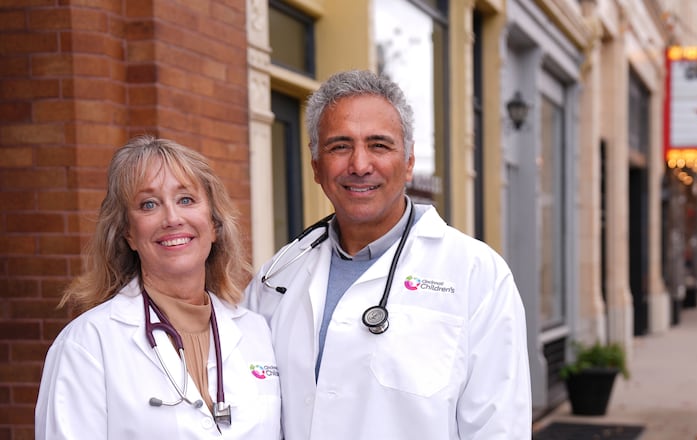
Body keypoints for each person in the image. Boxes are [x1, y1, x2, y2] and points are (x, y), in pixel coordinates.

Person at [244, 70, 531, 439]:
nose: (360, 165)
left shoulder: (477, 275)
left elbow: (499, 429)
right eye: (339, 146)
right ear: (316, 166)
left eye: (379, 145)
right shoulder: (277, 276)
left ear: (409, 162)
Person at [35, 136, 281, 439]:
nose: (172, 218)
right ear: (128, 233)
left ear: (214, 224)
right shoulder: (87, 344)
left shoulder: (257, 331)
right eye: (149, 204)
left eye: (186, 200)